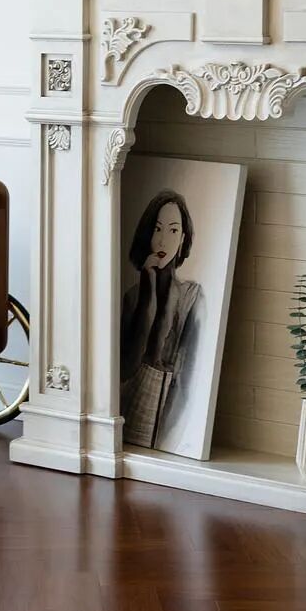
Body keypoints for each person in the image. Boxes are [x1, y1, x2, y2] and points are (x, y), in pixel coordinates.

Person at [119, 189, 203, 451]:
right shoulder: (133, 296)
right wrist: (148, 295)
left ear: (183, 238)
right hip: (130, 409)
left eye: (173, 230)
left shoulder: (191, 295)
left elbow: (190, 371)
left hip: (170, 412)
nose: (164, 241)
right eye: (157, 229)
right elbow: (126, 368)